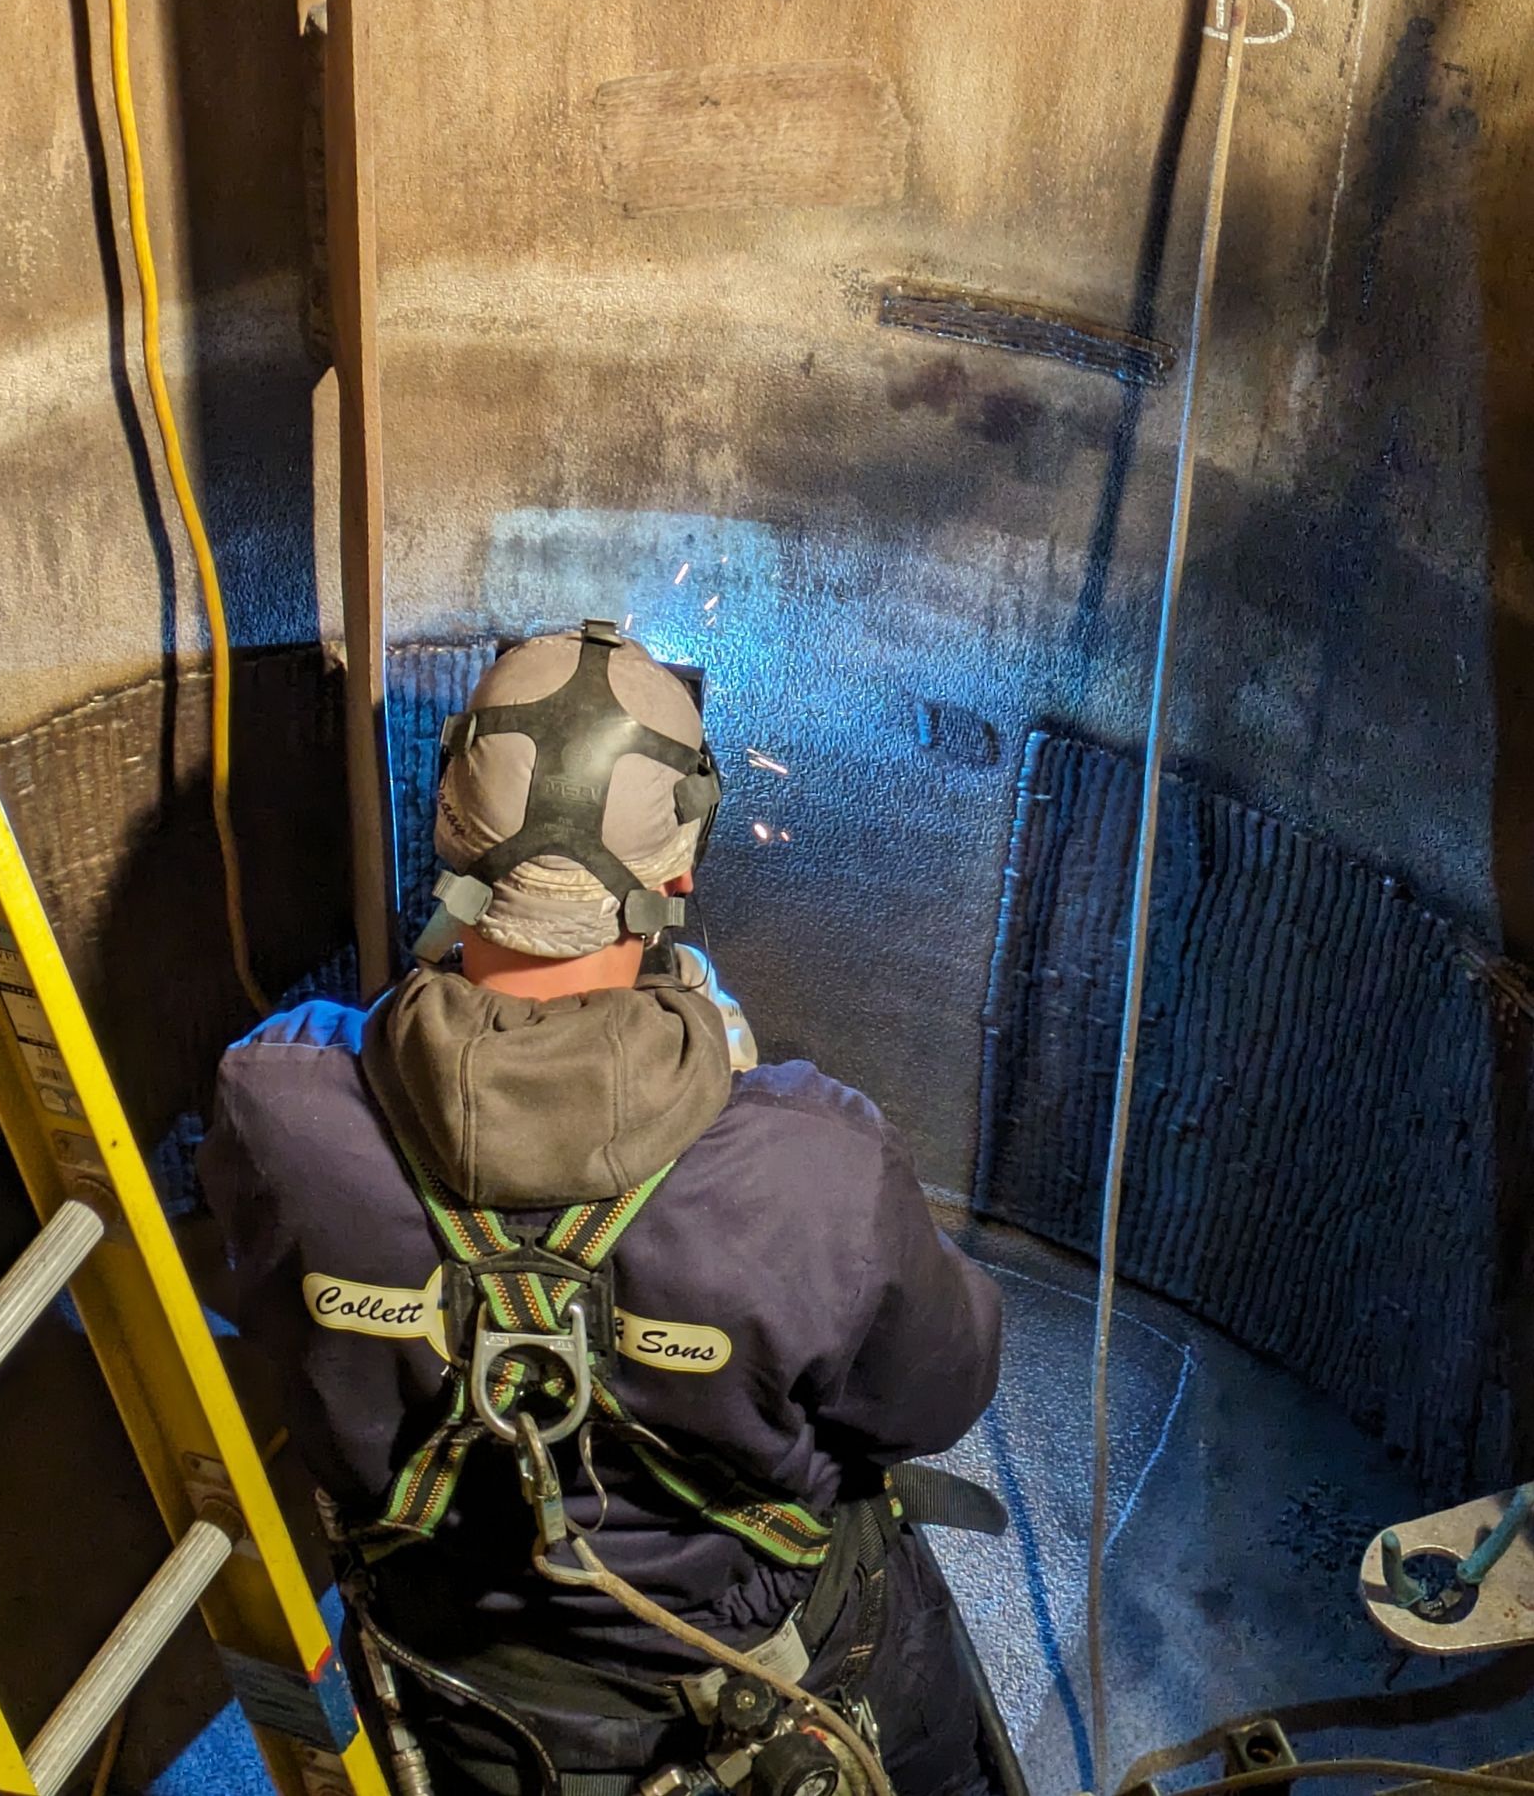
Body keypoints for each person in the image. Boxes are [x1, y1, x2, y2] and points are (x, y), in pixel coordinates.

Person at [201, 622, 1003, 1796]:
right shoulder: (814, 1167)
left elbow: (269, 1286)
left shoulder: (278, 1109)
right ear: (678, 871)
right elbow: (938, 1393)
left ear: (449, 833)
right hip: (759, 1687)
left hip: (464, 1700)